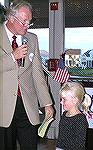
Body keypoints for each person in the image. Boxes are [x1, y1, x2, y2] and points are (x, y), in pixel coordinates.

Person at [0, 1, 54, 150]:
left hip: (27, 104)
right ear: (11, 18)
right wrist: (12, 57)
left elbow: (37, 73)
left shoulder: (32, 39)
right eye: (24, 21)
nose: (27, 25)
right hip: (3, 107)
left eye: (29, 22)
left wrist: (47, 103)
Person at [56, 82, 92, 150]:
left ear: (75, 100)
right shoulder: (64, 114)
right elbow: (61, 137)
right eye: (61, 99)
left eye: (64, 99)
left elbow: (80, 144)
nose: (61, 102)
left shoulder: (80, 119)